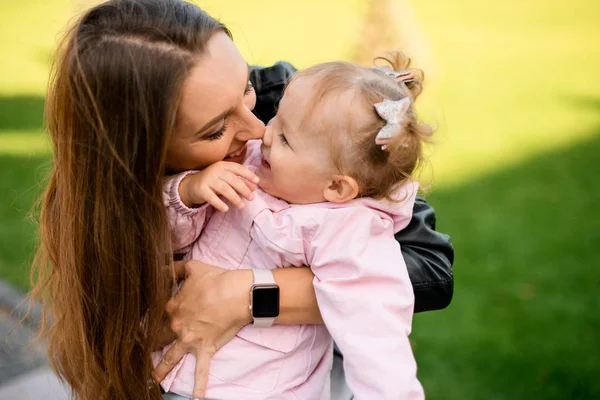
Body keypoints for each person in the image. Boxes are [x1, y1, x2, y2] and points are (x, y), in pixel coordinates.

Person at [29, 1, 454, 399]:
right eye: (215, 129)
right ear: (139, 151)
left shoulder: (307, 116)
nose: (258, 130)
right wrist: (187, 192)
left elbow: (423, 271)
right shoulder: (111, 198)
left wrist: (249, 295)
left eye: (245, 88)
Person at [155, 55, 430, 400]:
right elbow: (163, 236)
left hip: (257, 389)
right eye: (276, 118)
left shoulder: (348, 232)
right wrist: (188, 192)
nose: (263, 132)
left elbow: (373, 331)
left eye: (285, 138)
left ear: (337, 187)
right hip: (166, 366)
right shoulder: (250, 163)